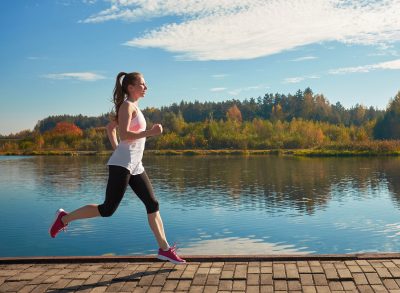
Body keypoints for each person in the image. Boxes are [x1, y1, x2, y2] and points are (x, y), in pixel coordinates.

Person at [49, 72, 186, 265]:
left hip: (135, 165)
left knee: (152, 204)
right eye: (142, 84)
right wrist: (151, 133)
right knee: (107, 209)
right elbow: (124, 134)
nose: (146, 87)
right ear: (131, 87)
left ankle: (165, 250)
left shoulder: (134, 108)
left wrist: (118, 149)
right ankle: (64, 219)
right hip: (122, 166)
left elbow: (110, 128)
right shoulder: (126, 107)